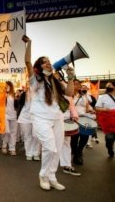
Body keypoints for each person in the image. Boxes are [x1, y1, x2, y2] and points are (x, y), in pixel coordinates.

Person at [23, 35, 75, 191]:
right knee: (50, 147)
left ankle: (52, 177)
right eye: (44, 61)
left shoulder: (55, 80)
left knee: (57, 149)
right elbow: (27, 62)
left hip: (57, 118)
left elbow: (70, 92)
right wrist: (30, 43)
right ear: (39, 66)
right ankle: (43, 175)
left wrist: (71, 78)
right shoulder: (36, 79)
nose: (48, 63)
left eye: (49, 61)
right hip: (40, 118)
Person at [71, 80, 95, 165]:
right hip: (73, 119)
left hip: (84, 118)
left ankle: (79, 152)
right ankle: (75, 154)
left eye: (78, 84)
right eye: (74, 84)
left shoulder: (84, 96)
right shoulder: (69, 95)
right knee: (74, 137)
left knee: (84, 136)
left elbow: (87, 106)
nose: (76, 86)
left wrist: (91, 110)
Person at [17, 84, 41, 161]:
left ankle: (36, 153)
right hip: (25, 117)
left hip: (37, 116)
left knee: (36, 136)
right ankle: (29, 153)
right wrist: (24, 92)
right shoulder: (24, 93)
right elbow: (19, 103)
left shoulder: (40, 92)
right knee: (27, 136)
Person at [60, 95, 81, 176]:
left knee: (66, 144)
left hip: (66, 121)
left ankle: (67, 165)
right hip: (52, 121)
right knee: (51, 145)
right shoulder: (49, 92)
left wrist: (75, 116)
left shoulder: (68, 97)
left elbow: (72, 107)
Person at [95, 82, 115, 158]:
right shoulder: (103, 97)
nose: (108, 87)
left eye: (109, 85)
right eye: (107, 86)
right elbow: (96, 107)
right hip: (108, 121)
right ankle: (110, 149)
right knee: (109, 139)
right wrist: (103, 109)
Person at [2, 81, 19, 156]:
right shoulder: (3, 94)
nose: (6, 87)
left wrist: (18, 97)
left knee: (13, 133)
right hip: (5, 115)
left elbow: (17, 105)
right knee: (7, 131)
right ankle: (4, 146)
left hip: (14, 115)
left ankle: (12, 148)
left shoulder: (14, 95)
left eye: (8, 86)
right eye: (5, 86)